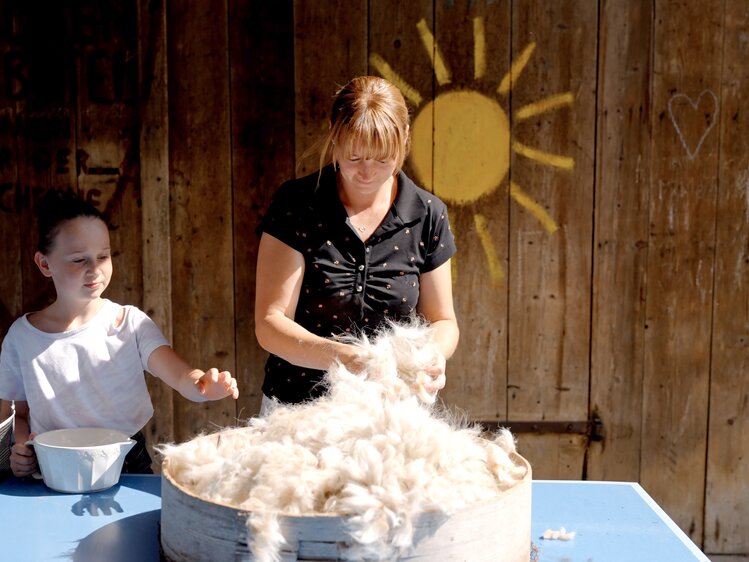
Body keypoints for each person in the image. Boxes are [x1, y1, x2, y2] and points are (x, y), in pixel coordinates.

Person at [255, 75, 459, 410]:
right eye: (354, 158)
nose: (367, 172)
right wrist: (340, 357)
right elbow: (270, 323)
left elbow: (443, 321)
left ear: (405, 140)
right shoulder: (296, 205)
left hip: (395, 413)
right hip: (297, 411)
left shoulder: (427, 214)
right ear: (334, 137)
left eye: (383, 159)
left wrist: (430, 356)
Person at [0, 190, 239, 476]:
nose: (95, 269)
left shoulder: (130, 323)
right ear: (44, 263)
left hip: (126, 463)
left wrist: (204, 386)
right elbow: (18, 415)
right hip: (50, 467)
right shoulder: (21, 337)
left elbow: (179, 375)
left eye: (103, 256)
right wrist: (22, 450)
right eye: (79, 260)